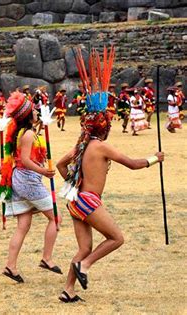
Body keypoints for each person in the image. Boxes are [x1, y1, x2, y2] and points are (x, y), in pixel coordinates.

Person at [56, 47, 164, 303]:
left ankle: (68, 290)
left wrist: (72, 184)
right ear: (103, 125)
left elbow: (61, 165)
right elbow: (133, 164)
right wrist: (154, 159)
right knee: (116, 238)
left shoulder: (81, 145)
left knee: (83, 247)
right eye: (109, 121)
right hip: (89, 201)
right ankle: (85, 267)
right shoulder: (100, 146)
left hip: (75, 201)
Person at [0, 91, 60, 283]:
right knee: (55, 218)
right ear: (27, 115)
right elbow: (23, 160)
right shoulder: (28, 133)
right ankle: (46, 258)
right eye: (34, 111)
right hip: (28, 179)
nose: (37, 113)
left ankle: (10, 266)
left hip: (21, 179)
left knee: (23, 225)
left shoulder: (22, 132)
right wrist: (43, 172)